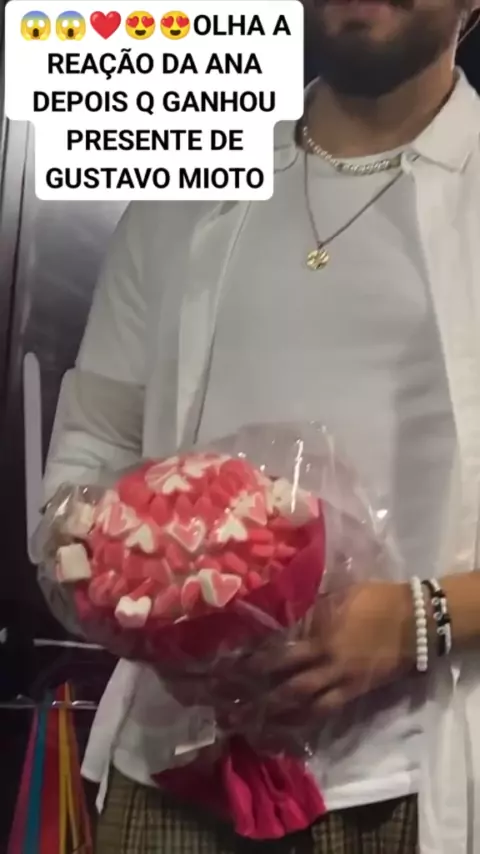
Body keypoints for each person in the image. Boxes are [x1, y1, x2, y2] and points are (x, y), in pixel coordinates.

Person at [43, 0, 480, 849]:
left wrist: (420, 620)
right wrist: (127, 597)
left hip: (418, 789)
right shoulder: (183, 199)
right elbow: (91, 450)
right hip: (168, 778)